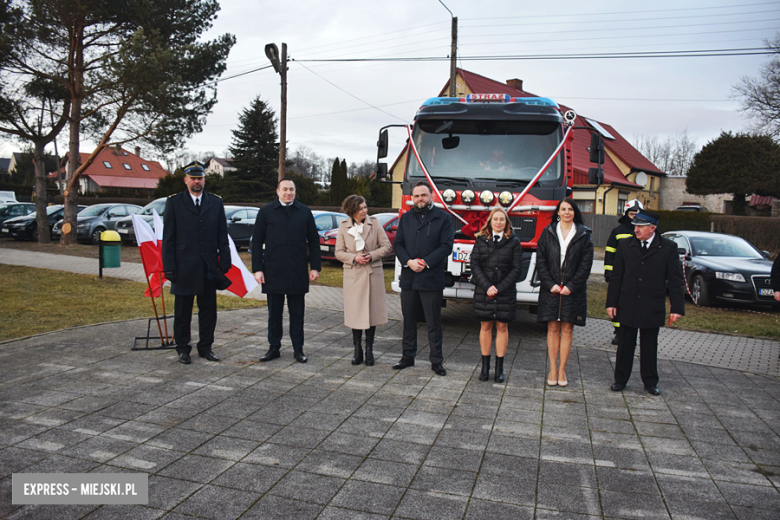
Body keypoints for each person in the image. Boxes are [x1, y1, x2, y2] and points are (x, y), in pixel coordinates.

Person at [607, 209, 685, 396]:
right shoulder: (626, 245)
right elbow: (616, 276)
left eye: (640, 227)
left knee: (649, 346)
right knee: (625, 344)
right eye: (635, 226)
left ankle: (650, 382)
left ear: (652, 228)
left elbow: (675, 280)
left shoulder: (667, 248)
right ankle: (620, 380)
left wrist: (677, 308)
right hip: (628, 302)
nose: (636, 230)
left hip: (652, 304)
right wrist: (611, 303)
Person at [162, 162, 231, 365]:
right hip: (183, 267)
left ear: (204, 179)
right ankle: (183, 349)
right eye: (192, 178)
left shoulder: (215, 202)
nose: (196, 182)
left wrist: (224, 260)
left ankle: (205, 347)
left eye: (199, 178)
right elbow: (169, 238)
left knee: (208, 311)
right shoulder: (174, 202)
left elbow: (222, 234)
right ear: (185, 180)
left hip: (208, 267)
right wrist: (169, 267)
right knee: (182, 312)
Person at [252, 178, 321, 363]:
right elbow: (257, 242)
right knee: (274, 314)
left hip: (297, 271)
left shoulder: (304, 212)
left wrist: (315, 267)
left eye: (291, 189)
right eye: (285, 189)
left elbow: (314, 241)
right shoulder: (266, 212)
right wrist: (257, 269)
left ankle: (298, 349)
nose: (288, 192)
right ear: (277, 191)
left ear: (295, 191)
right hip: (273, 271)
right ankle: (274, 347)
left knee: (297, 314)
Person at [393, 181, 454, 376]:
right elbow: (398, 244)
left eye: (424, 195)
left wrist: (425, 262)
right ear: (412, 198)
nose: (420, 199)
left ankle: (436, 361)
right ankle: (407, 357)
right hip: (409, 277)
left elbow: (446, 246)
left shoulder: (443, 218)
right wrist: (409, 262)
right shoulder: (406, 218)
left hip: (431, 278)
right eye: (417, 195)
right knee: (409, 320)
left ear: (431, 197)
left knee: (433, 322)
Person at [536, 198, 594, 387]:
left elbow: (585, 266)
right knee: (552, 328)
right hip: (551, 290)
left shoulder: (584, 235)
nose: (567, 212)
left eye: (570, 209)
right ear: (558, 212)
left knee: (567, 329)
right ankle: (552, 369)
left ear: (575, 212)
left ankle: (562, 370)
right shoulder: (548, 232)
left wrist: (571, 285)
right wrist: (550, 283)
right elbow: (541, 260)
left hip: (573, 291)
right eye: (563, 209)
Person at [335, 195, 393, 366]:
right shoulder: (343, 226)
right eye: (360, 208)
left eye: (365, 207)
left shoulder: (374, 223)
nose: (364, 211)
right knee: (355, 313)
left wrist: (371, 255)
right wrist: (354, 257)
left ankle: (369, 349)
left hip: (372, 274)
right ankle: (357, 349)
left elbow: (387, 246)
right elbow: (338, 252)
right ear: (351, 210)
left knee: (371, 313)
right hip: (353, 275)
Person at [470, 207, 523, 383]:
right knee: (485, 326)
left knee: (502, 327)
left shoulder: (514, 242)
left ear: (506, 222)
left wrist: (499, 287)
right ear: (490, 222)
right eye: (495, 219)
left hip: (505, 292)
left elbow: (517, 269)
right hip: (484, 291)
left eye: (502, 219)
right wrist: (487, 286)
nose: (499, 222)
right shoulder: (481, 240)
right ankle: (485, 368)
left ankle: (499, 369)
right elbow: (474, 265)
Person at [604, 199, 643, 345]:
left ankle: (632, 332)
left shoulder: (643, 232)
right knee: (616, 304)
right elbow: (609, 253)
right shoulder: (617, 232)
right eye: (632, 214)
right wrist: (609, 273)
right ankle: (619, 333)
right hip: (619, 276)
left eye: (637, 214)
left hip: (637, 277)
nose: (634, 217)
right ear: (626, 213)